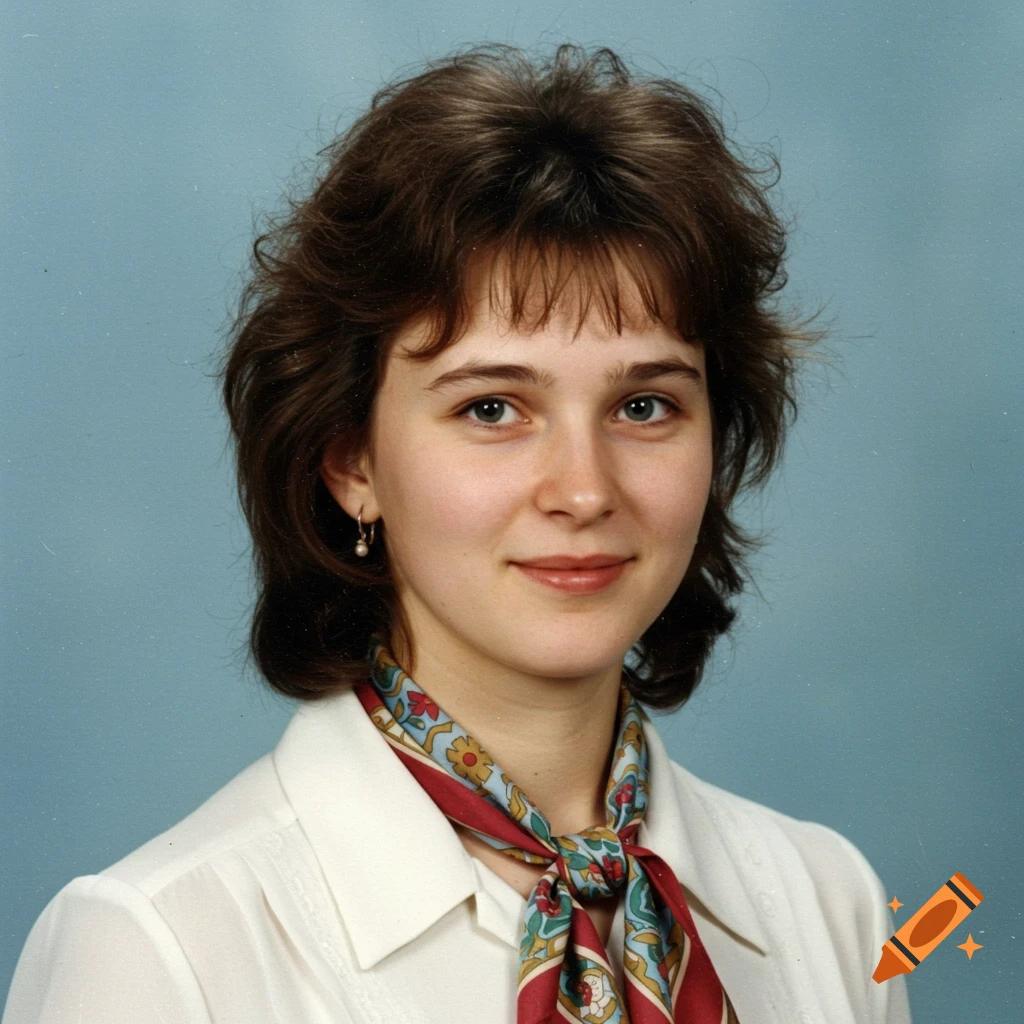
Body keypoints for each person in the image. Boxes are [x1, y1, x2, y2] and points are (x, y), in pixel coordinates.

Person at [3, 42, 912, 1024]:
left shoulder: (835, 905)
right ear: (351, 461)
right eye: (491, 408)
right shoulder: (158, 950)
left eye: (644, 406)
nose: (584, 491)